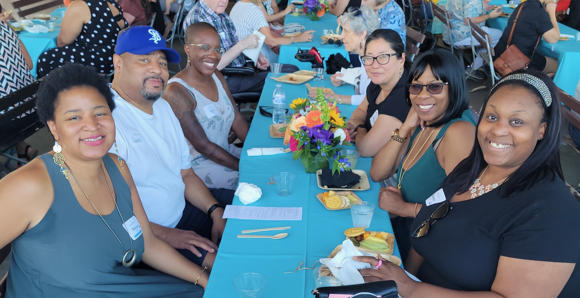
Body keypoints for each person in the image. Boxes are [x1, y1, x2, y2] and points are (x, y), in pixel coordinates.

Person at [356, 69, 580, 298]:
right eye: (492, 117)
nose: (498, 130)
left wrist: (409, 288)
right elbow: (426, 230)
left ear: (541, 129)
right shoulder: (469, 171)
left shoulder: (552, 211)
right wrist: (400, 283)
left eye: (517, 121)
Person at [0, 63, 206, 297]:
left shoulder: (117, 166)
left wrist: (204, 280)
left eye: (100, 113)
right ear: (54, 128)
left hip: (122, 287)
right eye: (74, 117)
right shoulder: (31, 185)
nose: (92, 125)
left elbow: (148, 243)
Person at [109, 26, 227, 270]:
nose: (156, 69)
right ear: (118, 63)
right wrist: (166, 235)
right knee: (227, 269)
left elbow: (185, 174)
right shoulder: (105, 121)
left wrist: (214, 209)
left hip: (183, 211)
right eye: (144, 59)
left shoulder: (163, 107)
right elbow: (107, 212)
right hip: (146, 237)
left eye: (162, 62)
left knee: (253, 211)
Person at [369, 49, 476, 262]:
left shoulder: (458, 132)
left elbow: (465, 212)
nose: (423, 95)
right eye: (416, 87)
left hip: (429, 251)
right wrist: (405, 128)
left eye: (434, 86)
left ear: (453, 88)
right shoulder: (424, 123)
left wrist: (403, 208)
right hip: (402, 235)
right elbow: (377, 173)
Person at [163, 22, 249, 192]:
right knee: (257, 186)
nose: (213, 55)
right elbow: (203, 146)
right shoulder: (177, 91)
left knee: (272, 167)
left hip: (224, 152)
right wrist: (245, 167)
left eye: (217, 49)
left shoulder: (215, 75)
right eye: (205, 47)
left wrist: (253, 149)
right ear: (187, 49)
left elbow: (237, 118)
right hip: (199, 167)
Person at [182, 0, 274, 94]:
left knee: (285, 70)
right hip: (222, 79)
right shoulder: (197, 20)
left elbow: (233, 43)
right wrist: (243, 44)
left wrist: (255, 55)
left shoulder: (219, 12)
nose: (224, 1)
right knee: (279, 77)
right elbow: (211, 66)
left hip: (241, 68)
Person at [344, 29, 410, 157]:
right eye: (369, 58)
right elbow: (359, 112)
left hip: (394, 172)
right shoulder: (379, 82)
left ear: (401, 59)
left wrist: (359, 126)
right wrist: (357, 124)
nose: (374, 65)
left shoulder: (402, 98)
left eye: (383, 57)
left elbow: (365, 149)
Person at [36, 0, 127, 78]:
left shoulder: (80, 5)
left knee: (46, 59)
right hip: (114, 56)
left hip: (99, 61)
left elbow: (62, 42)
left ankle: (50, 95)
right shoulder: (110, 2)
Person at [309, 6, 378, 106]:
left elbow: (370, 100)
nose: (341, 36)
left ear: (362, 34)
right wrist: (346, 78)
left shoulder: (376, 62)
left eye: (346, 31)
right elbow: (364, 76)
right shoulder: (364, 54)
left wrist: (332, 97)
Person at [0, 16, 38, 162]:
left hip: (8, 123)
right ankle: (23, 149)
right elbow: (29, 64)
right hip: (32, 111)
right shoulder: (5, 26)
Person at [230, 0, 314, 63]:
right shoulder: (255, 11)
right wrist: (298, 38)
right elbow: (271, 41)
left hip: (244, 56)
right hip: (260, 59)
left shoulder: (239, 4)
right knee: (296, 60)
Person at [494, 0, 561, 78]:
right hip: (518, 62)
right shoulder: (539, 12)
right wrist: (552, 13)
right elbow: (554, 39)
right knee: (559, 65)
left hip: (500, 54)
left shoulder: (522, 5)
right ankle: (532, 85)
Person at [444, 0, 502, 71]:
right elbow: (469, 20)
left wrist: (482, 8)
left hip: (449, 33)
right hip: (461, 36)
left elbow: (461, 9)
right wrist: (489, 15)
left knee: (489, 36)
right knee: (500, 35)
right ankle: (475, 68)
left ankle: (478, 61)